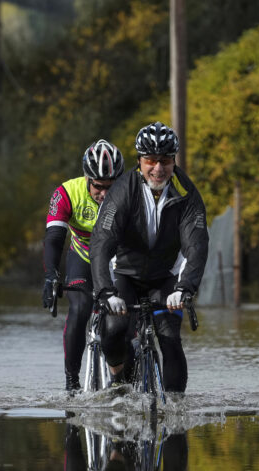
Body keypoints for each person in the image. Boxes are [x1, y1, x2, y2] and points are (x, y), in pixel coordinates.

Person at [90, 122, 209, 392]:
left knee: (169, 338)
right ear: (140, 161)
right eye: (151, 161)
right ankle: (119, 380)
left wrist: (185, 287)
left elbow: (196, 244)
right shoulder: (122, 190)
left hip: (165, 278)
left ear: (174, 160)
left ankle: (176, 417)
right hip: (125, 274)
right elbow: (101, 242)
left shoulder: (187, 193)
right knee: (115, 329)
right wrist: (106, 292)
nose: (158, 169)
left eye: (165, 161)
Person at [42, 139, 125, 391]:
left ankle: (123, 376)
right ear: (87, 178)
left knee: (125, 319)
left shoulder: (130, 192)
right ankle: (72, 383)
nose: (104, 194)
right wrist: (51, 275)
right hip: (84, 257)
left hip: (118, 258)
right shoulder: (66, 193)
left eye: (111, 187)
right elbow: (55, 238)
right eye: (98, 187)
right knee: (79, 310)